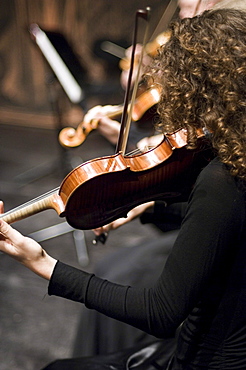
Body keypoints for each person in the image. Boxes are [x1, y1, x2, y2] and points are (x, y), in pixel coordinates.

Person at [1, 8, 246, 369]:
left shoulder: (223, 178)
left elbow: (160, 312)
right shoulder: (236, 154)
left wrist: (43, 264)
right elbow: (224, 227)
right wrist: (151, 206)